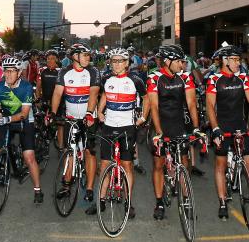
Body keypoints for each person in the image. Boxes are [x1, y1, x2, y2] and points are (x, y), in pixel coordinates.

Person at [207, 44, 249, 225]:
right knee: (220, 165)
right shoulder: (214, 79)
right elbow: (210, 106)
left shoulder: (243, 77)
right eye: (234, 60)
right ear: (225, 61)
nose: (238, 63)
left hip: (240, 126)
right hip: (222, 126)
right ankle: (222, 202)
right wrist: (215, 129)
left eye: (239, 60)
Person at [146, 44, 202, 220]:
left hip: (178, 123)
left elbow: (192, 103)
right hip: (160, 123)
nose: (182, 65)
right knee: (158, 164)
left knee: (184, 162)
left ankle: (186, 199)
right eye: (179, 61)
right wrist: (159, 132)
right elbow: (154, 106)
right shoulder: (154, 77)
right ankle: (159, 202)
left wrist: (196, 127)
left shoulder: (185, 77)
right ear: (168, 61)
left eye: (183, 61)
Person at [0, 57, 43, 205]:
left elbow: (24, 114)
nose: (7, 75)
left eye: (11, 71)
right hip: (6, 120)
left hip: (25, 121)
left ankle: (38, 190)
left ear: (19, 72)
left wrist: (6, 119)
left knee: (29, 157)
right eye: (5, 71)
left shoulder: (26, 87)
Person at [91, 48, 146, 218]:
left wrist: (143, 117)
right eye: (113, 61)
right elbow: (105, 95)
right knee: (105, 164)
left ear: (127, 63)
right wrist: (99, 111)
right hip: (108, 125)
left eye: (120, 61)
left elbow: (147, 98)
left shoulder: (135, 79)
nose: (116, 64)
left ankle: (128, 202)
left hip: (128, 126)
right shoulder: (106, 77)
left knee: (127, 164)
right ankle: (100, 200)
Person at [49, 43, 101, 213]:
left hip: (88, 118)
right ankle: (66, 184)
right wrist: (53, 113)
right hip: (70, 118)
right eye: (84, 55)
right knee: (69, 151)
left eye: (88, 55)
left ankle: (90, 188)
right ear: (74, 57)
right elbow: (57, 93)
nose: (88, 58)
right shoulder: (64, 72)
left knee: (88, 152)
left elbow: (93, 93)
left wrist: (89, 113)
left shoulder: (92, 71)